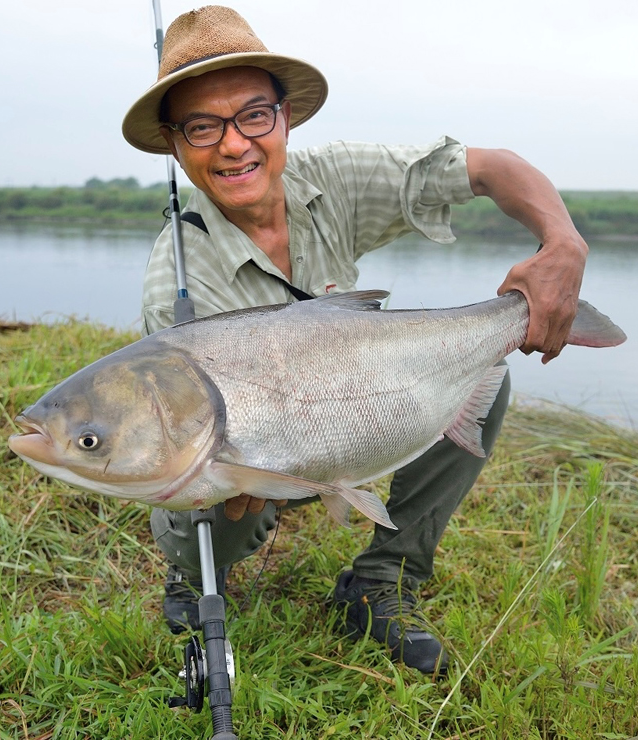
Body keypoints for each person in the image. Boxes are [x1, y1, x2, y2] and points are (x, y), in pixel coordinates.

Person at [121, 5, 587, 676]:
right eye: (202, 126)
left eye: (254, 116)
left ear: (285, 118)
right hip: (248, 455)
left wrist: (562, 243)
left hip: (345, 416)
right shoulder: (178, 277)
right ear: (175, 143)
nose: (234, 145)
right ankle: (193, 574)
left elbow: (489, 169)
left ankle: (382, 583)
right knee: (219, 509)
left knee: (481, 374)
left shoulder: (333, 179)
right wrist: (236, 471)